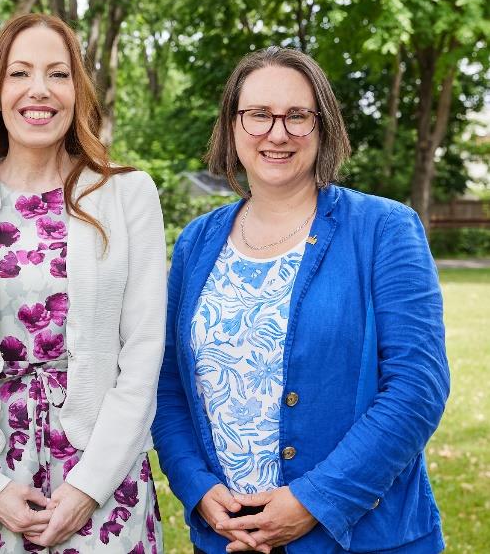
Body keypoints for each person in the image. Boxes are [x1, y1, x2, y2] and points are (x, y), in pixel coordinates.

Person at [152, 47, 449, 554]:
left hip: (364, 540)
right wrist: (197, 489)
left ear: (323, 126)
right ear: (232, 125)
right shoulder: (197, 242)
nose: (278, 132)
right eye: (259, 115)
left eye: (297, 116)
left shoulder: (383, 229)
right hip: (226, 538)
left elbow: (417, 387)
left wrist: (314, 500)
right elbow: (168, 385)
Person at [0, 13, 167, 552]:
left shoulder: (129, 196)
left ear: (79, 90)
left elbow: (142, 354)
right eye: (20, 73)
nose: (39, 91)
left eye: (58, 73)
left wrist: (88, 489)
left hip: (100, 474)